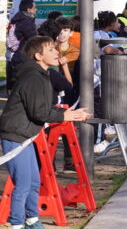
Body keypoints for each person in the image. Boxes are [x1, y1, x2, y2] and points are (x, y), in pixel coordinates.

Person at [0, 36, 92, 229]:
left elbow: (44, 108)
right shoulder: (33, 77)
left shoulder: (42, 75)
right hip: (16, 137)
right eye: (50, 50)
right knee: (23, 184)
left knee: (34, 181)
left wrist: (68, 113)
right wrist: (66, 116)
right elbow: (39, 112)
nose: (56, 52)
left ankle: (32, 219)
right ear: (38, 56)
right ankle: (17, 223)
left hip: (25, 135)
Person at [7, 0, 38, 93]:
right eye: (34, 7)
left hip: (14, 52)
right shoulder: (26, 22)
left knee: (14, 77)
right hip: (22, 54)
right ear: (28, 9)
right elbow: (33, 39)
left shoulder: (17, 19)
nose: (36, 10)